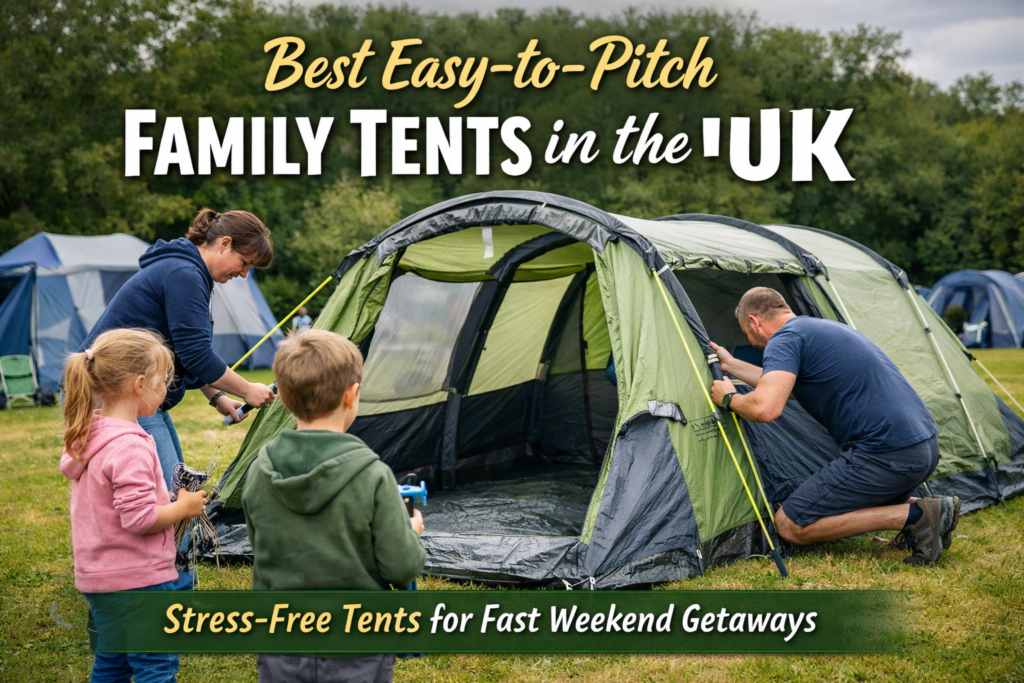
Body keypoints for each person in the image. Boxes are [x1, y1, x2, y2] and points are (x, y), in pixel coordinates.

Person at [709, 287, 960, 566]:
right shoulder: (817, 329)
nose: (752, 340)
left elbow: (766, 408)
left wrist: (730, 398)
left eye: (747, 331)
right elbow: (783, 387)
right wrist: (731, 365)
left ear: (755, 321)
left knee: (789, 524)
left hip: (885, 454)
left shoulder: (784, 339)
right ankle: (924, 522)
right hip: (922, 449)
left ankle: (918, 517)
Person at [242, 330, 426, 682]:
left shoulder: (259, 470)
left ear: (284, 398)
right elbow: (401, 568)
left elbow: (261, 543)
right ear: (351, 395)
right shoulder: (373, 475)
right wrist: (412, 533)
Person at [81, 208, 277, 489]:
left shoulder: (188, 271)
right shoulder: (184, 274)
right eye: (244, 262)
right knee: (170, 494)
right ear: (224, 244)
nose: (244, 274)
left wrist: (217, 396)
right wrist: (246, 390)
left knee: (178, 488)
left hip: (138, 396)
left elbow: (183, 352)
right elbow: (196, 352)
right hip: (116, 396)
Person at [60, 328, 209, 682]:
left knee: (111, 662)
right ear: (139, 385)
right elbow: (140, 519)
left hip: (99, 579)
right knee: (154, 666)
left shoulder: (91, 434)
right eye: (162, 382)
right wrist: (184, 508)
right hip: (138, 580)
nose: (165, 390)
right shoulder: (131, 446)